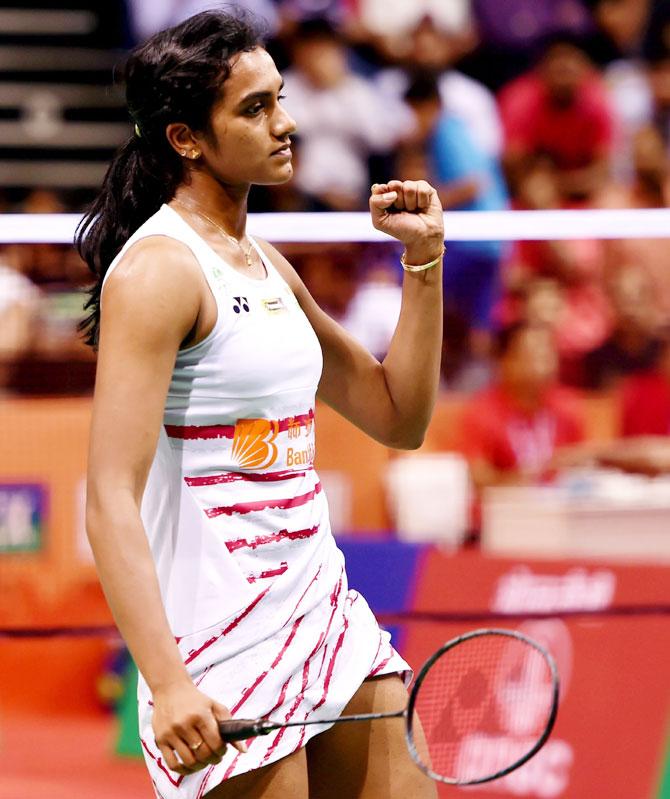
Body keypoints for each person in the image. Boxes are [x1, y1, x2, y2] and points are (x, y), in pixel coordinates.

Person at [78, 10, 443, 799]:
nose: (287, 122)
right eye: (255, 108)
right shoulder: (156, 275)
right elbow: (110, 497)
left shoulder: (265, 263)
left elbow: (398, 417)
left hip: (324, 613)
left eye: (278, 96)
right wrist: (167, 680)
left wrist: (423, 263)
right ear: (185, 138)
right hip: (220, 641)